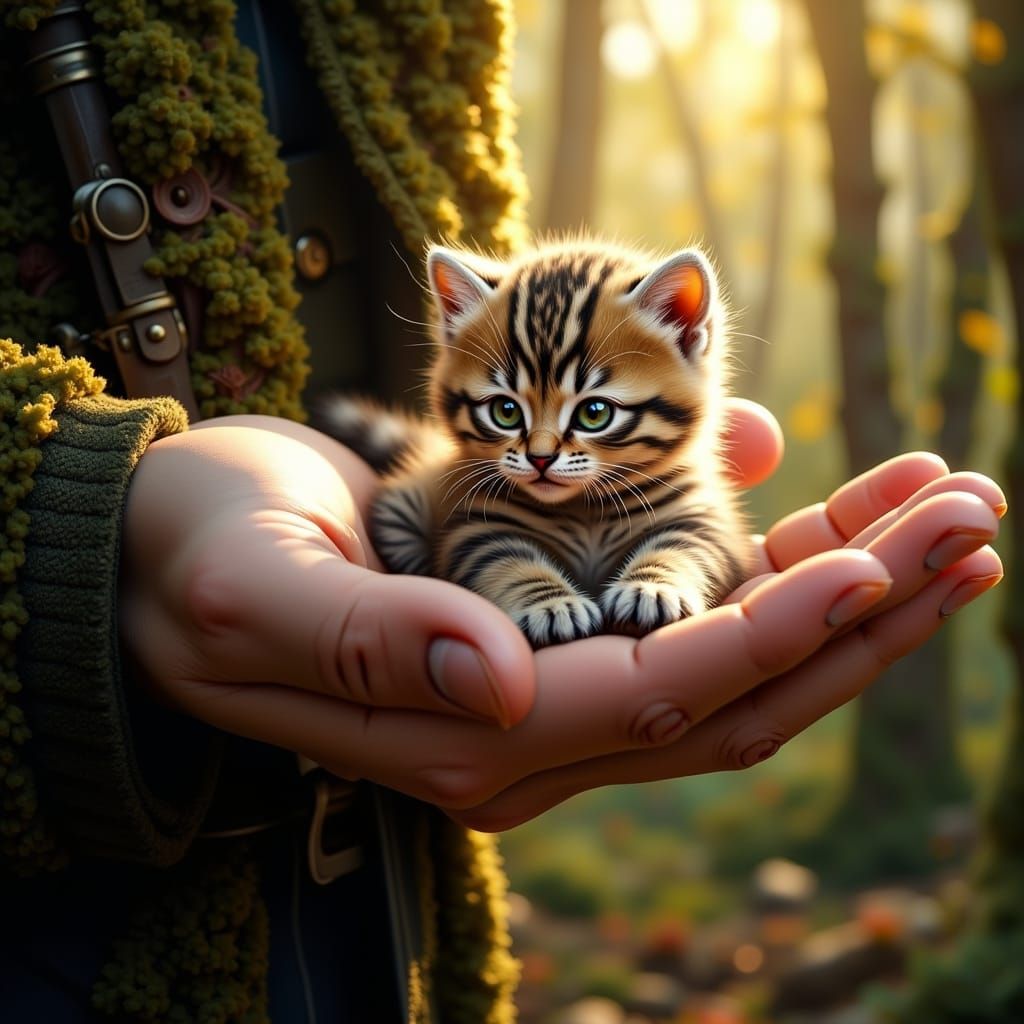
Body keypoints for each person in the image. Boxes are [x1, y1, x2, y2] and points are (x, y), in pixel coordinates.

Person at [0, 1, 1004, 1021]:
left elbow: (702, 540)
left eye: (596, 415)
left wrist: (664, 576)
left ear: (686, 335)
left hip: (400, 905)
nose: (539, 455)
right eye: (503, 414)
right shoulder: (481, 482)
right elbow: (479, 535)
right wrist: (101, 529)